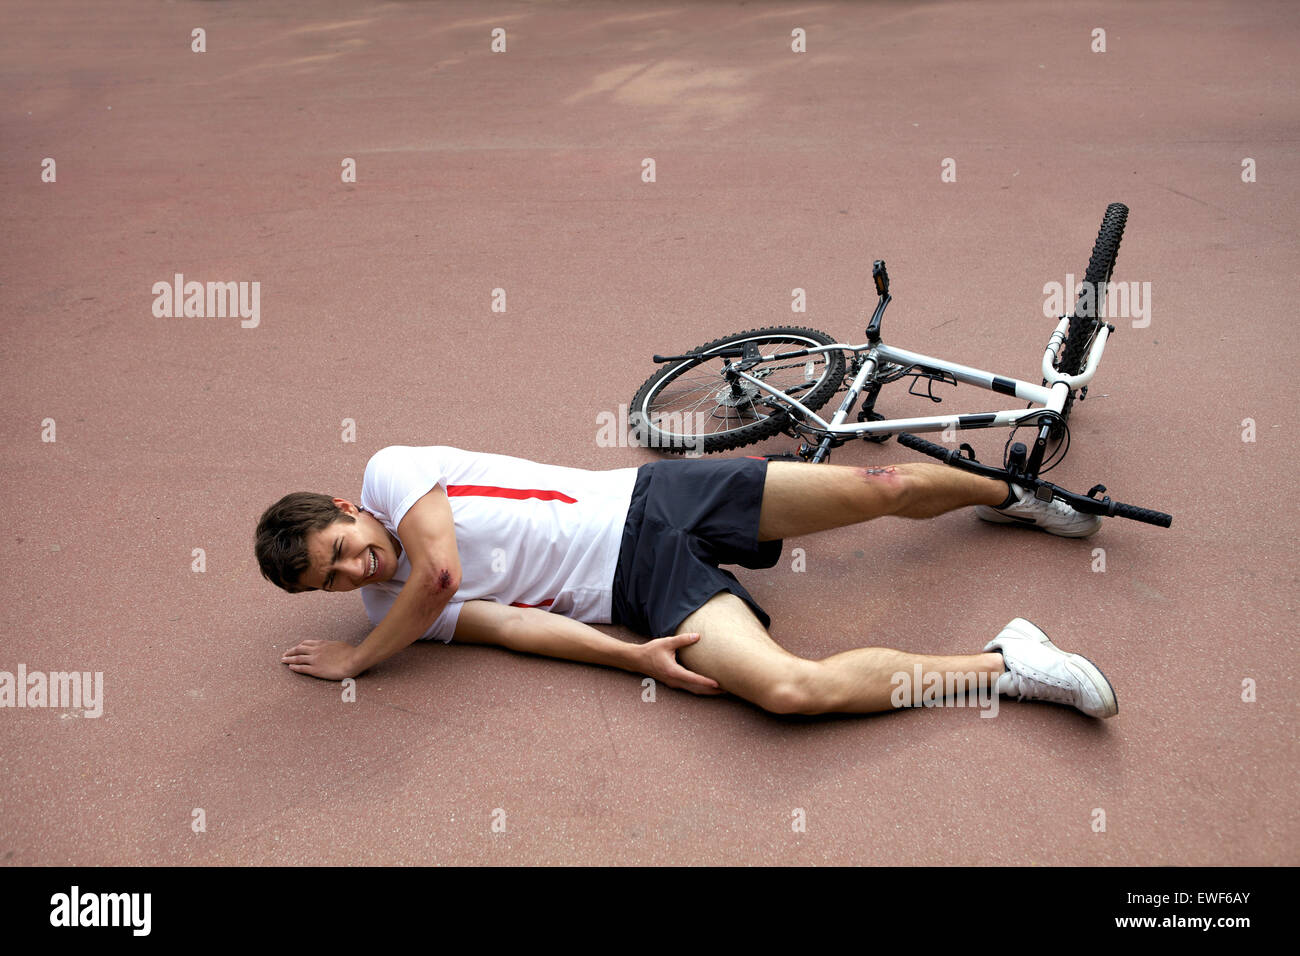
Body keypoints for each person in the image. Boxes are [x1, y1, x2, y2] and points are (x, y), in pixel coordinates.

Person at [255, 445, 1117, 718]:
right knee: (788, 691)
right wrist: (635, 660)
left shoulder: (392, 474)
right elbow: (514, 628)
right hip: (643, 590)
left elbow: (440, 571)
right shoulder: (393, 611)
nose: (352, 568)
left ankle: (1019, 493)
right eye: (331, 579)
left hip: (653, 494)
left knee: (876, 490)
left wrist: (359, 659)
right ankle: (1011, 664)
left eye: (340, 544)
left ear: (347, 506)